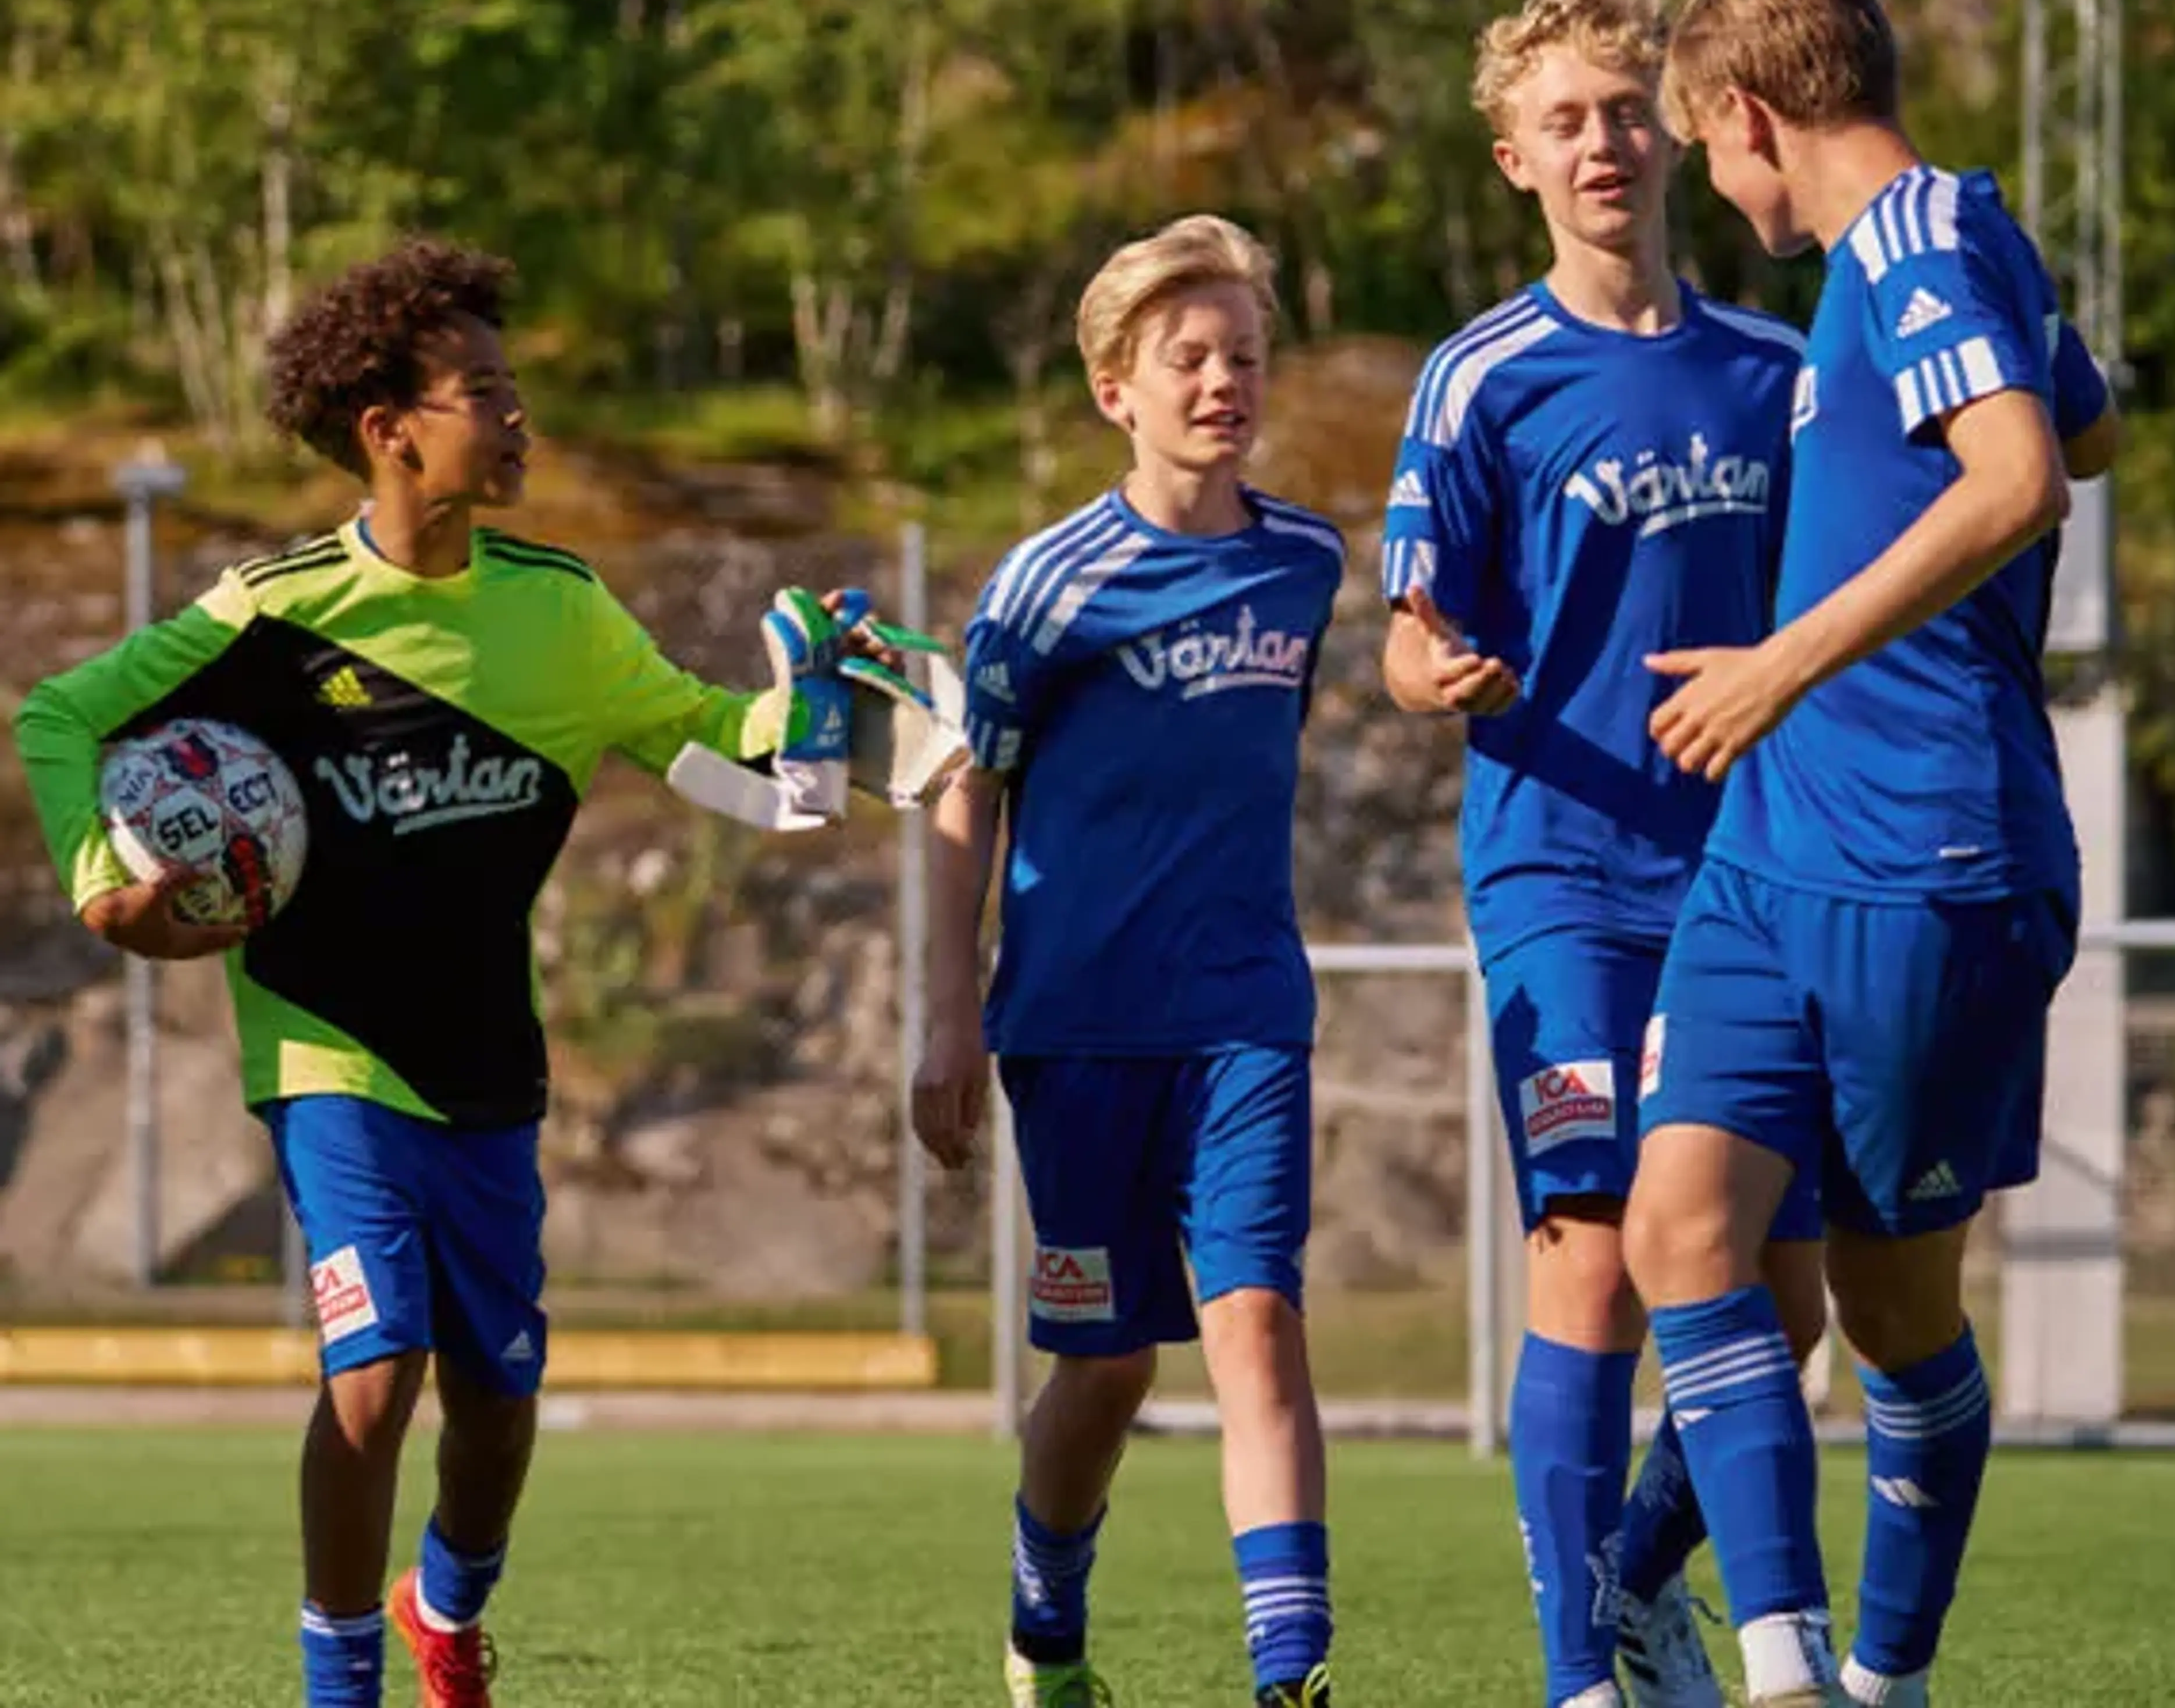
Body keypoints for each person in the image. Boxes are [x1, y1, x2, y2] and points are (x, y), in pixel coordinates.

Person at [13, 239, 876, 1708]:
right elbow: (57, 717)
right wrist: (112, 893)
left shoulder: (558, 609)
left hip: (486, 1062)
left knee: (497, 1406)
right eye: (486, 391)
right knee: (374, 1368)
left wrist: (818, 711)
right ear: (390, 430)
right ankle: (337, 1683)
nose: (520, 415)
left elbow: (708, 745)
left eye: (515, 386)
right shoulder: (272, 615)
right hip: (326, 1050)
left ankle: (447, 1600)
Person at [1622, 0, 2116, 1708]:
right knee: (1682, 1222)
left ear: (1751, 114)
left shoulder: (1911, 241)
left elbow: (2024, 473)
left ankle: (1887, 1674)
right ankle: (1780, 1659)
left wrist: (1780, 660)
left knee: (1904, 1316)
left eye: (1703, 138)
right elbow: (2093, 419)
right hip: (1775, 852)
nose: (1713, 178)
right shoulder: (1926, 245)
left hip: (1931, 854)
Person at [1380, 0, 1828, 1708]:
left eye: (1626, 111)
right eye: (1564, 119)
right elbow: (1413, 623)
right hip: (1563, 867)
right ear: (1515, 158)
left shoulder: (1778, 372)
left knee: (1782, 1304)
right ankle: (1578, 1676)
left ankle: (1643, 1582)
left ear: (1678, 131)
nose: (1602, 145)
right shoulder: (1480, 377)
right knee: (1592, 1247)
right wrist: (1435, 671)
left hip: (1754, 877)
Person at [910, 214, 1346, 1708]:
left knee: (1259, 1320)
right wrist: (947, 1022)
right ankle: (1046, 1616)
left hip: (1245, 1018)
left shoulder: (1307, 563)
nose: (1224, 380)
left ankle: (1291, 1670)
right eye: (1190, 358)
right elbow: (969, 784)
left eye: (1246, 354)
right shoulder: (1048, 586)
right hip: (1078, 1031)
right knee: (1108, 1368)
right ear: (1117, 390)